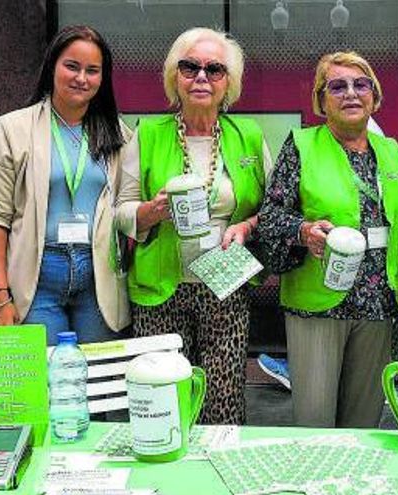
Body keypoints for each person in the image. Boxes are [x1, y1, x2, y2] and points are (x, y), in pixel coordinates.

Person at [115, 27, 273, 425]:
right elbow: (120, 211)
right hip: (160, 290)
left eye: (214, 69)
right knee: (166, 400)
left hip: (226, 285)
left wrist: (246, 228)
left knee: (223, 401)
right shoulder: (148, 135)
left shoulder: (248, 137)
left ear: (228, 83)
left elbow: (274, 209)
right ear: (175, 77)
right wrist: (151, 211)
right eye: (190, 67)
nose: (201, 77)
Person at [257, 51, 398, 428]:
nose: (351, 94)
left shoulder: (391, 151)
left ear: (375, 97)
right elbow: (270, 216)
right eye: (338, 86)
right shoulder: (301, 145)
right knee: (315, 423)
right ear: (321, 100)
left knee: (363, 423)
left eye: (360, 85)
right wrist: (303, 231)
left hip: (379, 306)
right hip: (318, 306)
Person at [0, 25, 130, 345]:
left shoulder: (118, 134)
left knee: (97, 379)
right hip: (38, 274)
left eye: (93, 70)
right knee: (44, 382)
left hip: (98, 274)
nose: (81, 78)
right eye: (72, 66)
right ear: (52, 67)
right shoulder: (11, 129)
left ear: (103, 78)